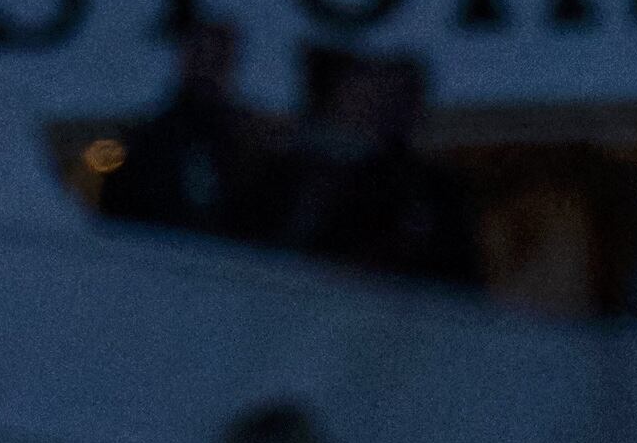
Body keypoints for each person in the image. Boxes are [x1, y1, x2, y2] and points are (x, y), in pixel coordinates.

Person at [289, 45, 483, 285]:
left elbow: (458, 275)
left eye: (399, 98)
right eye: (374, 94)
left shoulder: (432, 189)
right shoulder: (292, 168)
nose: (384, 108)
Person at [103, 23, 290, 243]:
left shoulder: (251, 144)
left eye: (217, 59)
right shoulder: (148, 140)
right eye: (200, 55)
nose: (206, 69)